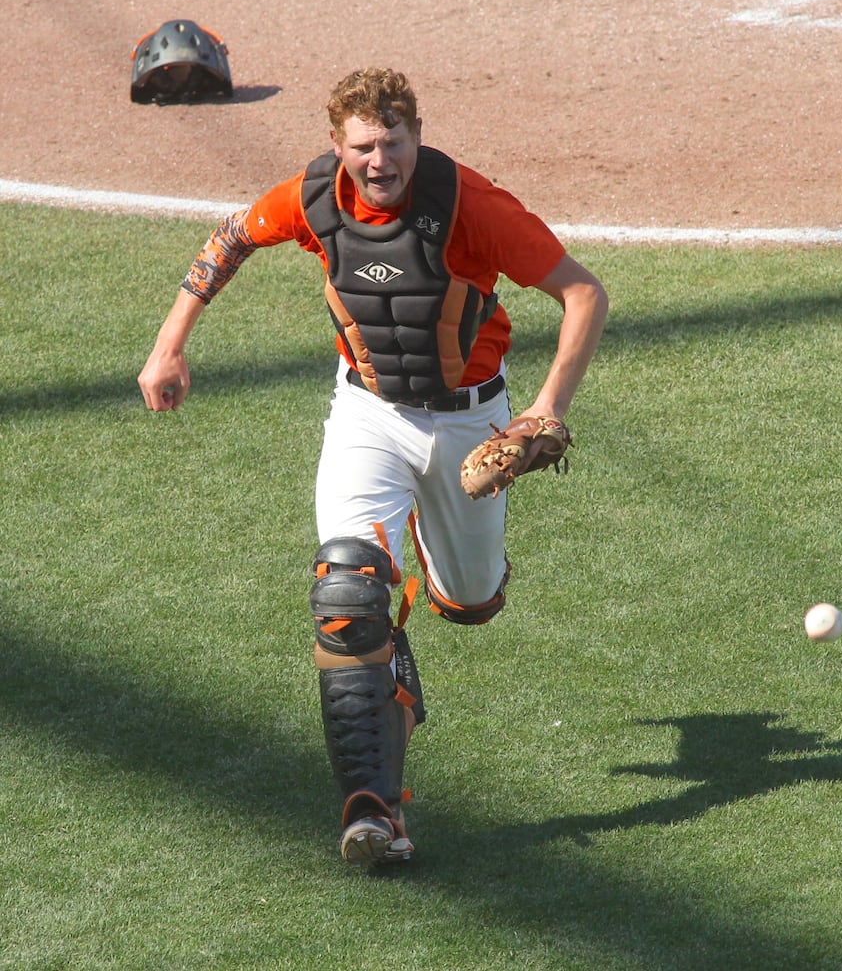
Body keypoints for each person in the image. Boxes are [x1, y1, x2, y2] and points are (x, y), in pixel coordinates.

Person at [138, 68, 609, 867]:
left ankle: (416, 613)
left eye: (394, 143)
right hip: (369, 414)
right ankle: (373, 810)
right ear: (337, 146)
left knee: (469, 604)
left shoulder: (472, 207)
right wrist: (169, 341)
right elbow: (232, 238)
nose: (379, 160)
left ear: (418, 138)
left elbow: (583, 293)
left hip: (472, 426)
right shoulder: (314, 197)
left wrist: (546, 409)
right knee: (347, 588)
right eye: (364, 146)